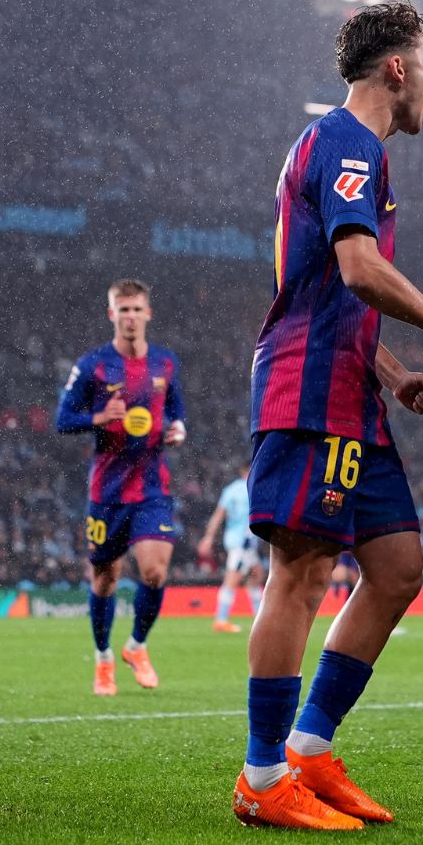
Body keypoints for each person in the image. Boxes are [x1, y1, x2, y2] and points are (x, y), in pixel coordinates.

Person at [235, 0, 423, 831]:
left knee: (397, 568)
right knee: (303, 572)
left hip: (352, 388)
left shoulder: (349, 150)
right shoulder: (347, 143)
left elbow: (323, 284)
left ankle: (310, 748)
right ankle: (263, 776)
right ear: (397, 68)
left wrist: (391, 368)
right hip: (309, 391)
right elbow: (355, 268)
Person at [55, 278, 188, 696]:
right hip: (107, 491)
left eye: (136, 309)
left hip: (152, 486)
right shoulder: (93, 365)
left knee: (154, 571)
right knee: (105, 581)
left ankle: (137, 646)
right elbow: (62, 419)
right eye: (123, 309)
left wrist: (178, 429)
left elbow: (176, 409)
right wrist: (99, 418)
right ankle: (103, 659)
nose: (130, 317)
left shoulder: (165, 363)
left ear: (148, 313)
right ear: (112, 314)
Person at [199, 464, 260, 633]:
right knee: (233, 578)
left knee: (256, 575)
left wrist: (208, 537)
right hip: (243, 541)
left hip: (235, 539)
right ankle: (221, 619)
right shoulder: (253, 488)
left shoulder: (230, 490)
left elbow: (218, 515)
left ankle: (259, 618)